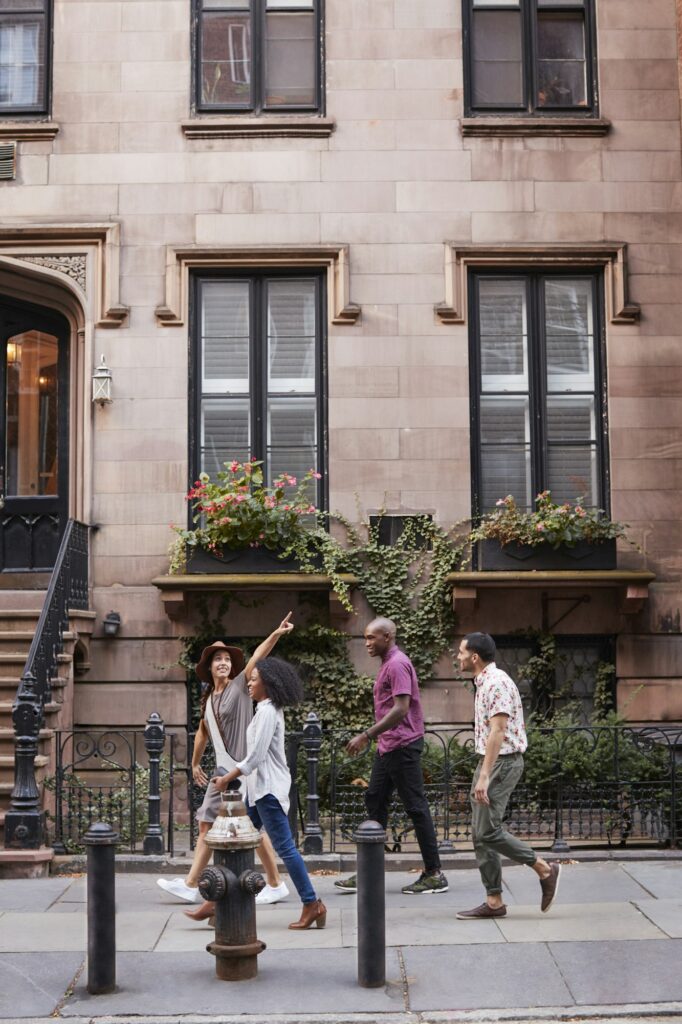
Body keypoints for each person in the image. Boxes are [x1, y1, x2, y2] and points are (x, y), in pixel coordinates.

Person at [157, 615, 295, 907]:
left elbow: (259, 655)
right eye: (217, 659)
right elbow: (202, 733)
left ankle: (271, 883)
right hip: (223, 770)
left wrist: (276, 633)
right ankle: (195, 884)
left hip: (242, 770)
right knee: (209, 824)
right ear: (209, 667)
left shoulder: (241, 687)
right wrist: (194, 764)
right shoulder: (208, 700)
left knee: (248, 829)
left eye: (226, 659)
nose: (223, 662)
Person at [193, 656, 327, 931]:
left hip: (268, 791)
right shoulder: (263, 709)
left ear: (268, 683)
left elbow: (255, 758)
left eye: (254, 679)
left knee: (286, 849)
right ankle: (218, 903)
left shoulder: (267, 712)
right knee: (233, 840)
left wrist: (227, 778)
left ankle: (312, 903)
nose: (249, 683)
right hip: (255, 793)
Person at [335, 616, 447, 895]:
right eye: (365, 638)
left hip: (403, 745)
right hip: (389, 746)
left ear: (387, 637)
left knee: (416, 808)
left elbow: (401, 708)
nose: (367, 643)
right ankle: (369, 872)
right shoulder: (389, 664)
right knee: (375, 799)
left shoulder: (397, 664)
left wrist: (366, 735)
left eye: (372, 638)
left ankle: (434, 874)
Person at [455, 632, 561, 919]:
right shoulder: (484, 682)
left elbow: (498, 731)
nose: (458, 656)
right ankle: (493, 901)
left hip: (502, 762)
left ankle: (544, 869)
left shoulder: (497, 683)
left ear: (474, 657)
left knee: (487, 831)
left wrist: (485, 775)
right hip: (491, 761)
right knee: (480, 834)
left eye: (461, 652)